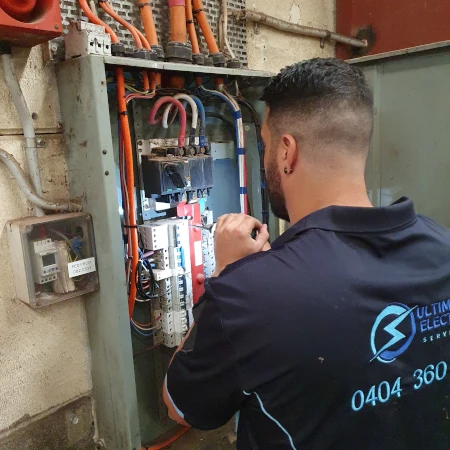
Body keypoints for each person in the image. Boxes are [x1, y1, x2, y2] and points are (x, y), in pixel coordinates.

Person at [163, 58, 450, 449]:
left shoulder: (249, 293)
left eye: (264, 147)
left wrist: (229, 272)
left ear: (286, 152)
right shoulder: (441, 246)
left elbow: (180, 408)